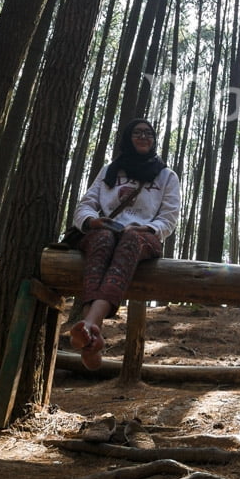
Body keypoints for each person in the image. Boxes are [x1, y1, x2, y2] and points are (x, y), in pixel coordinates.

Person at [63, 118, 181, 369]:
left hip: (143, 237)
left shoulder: (166, 176)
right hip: (103, 232)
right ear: (128, 138)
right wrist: (93, 222)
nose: (143, 137)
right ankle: (92, 339)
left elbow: (169, 217)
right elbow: (86, 205)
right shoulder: (110, 170)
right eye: (137, 132)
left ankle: (90, 324)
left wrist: (147, 228)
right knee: (104, 239)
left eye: (148, 133)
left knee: (129, 238)